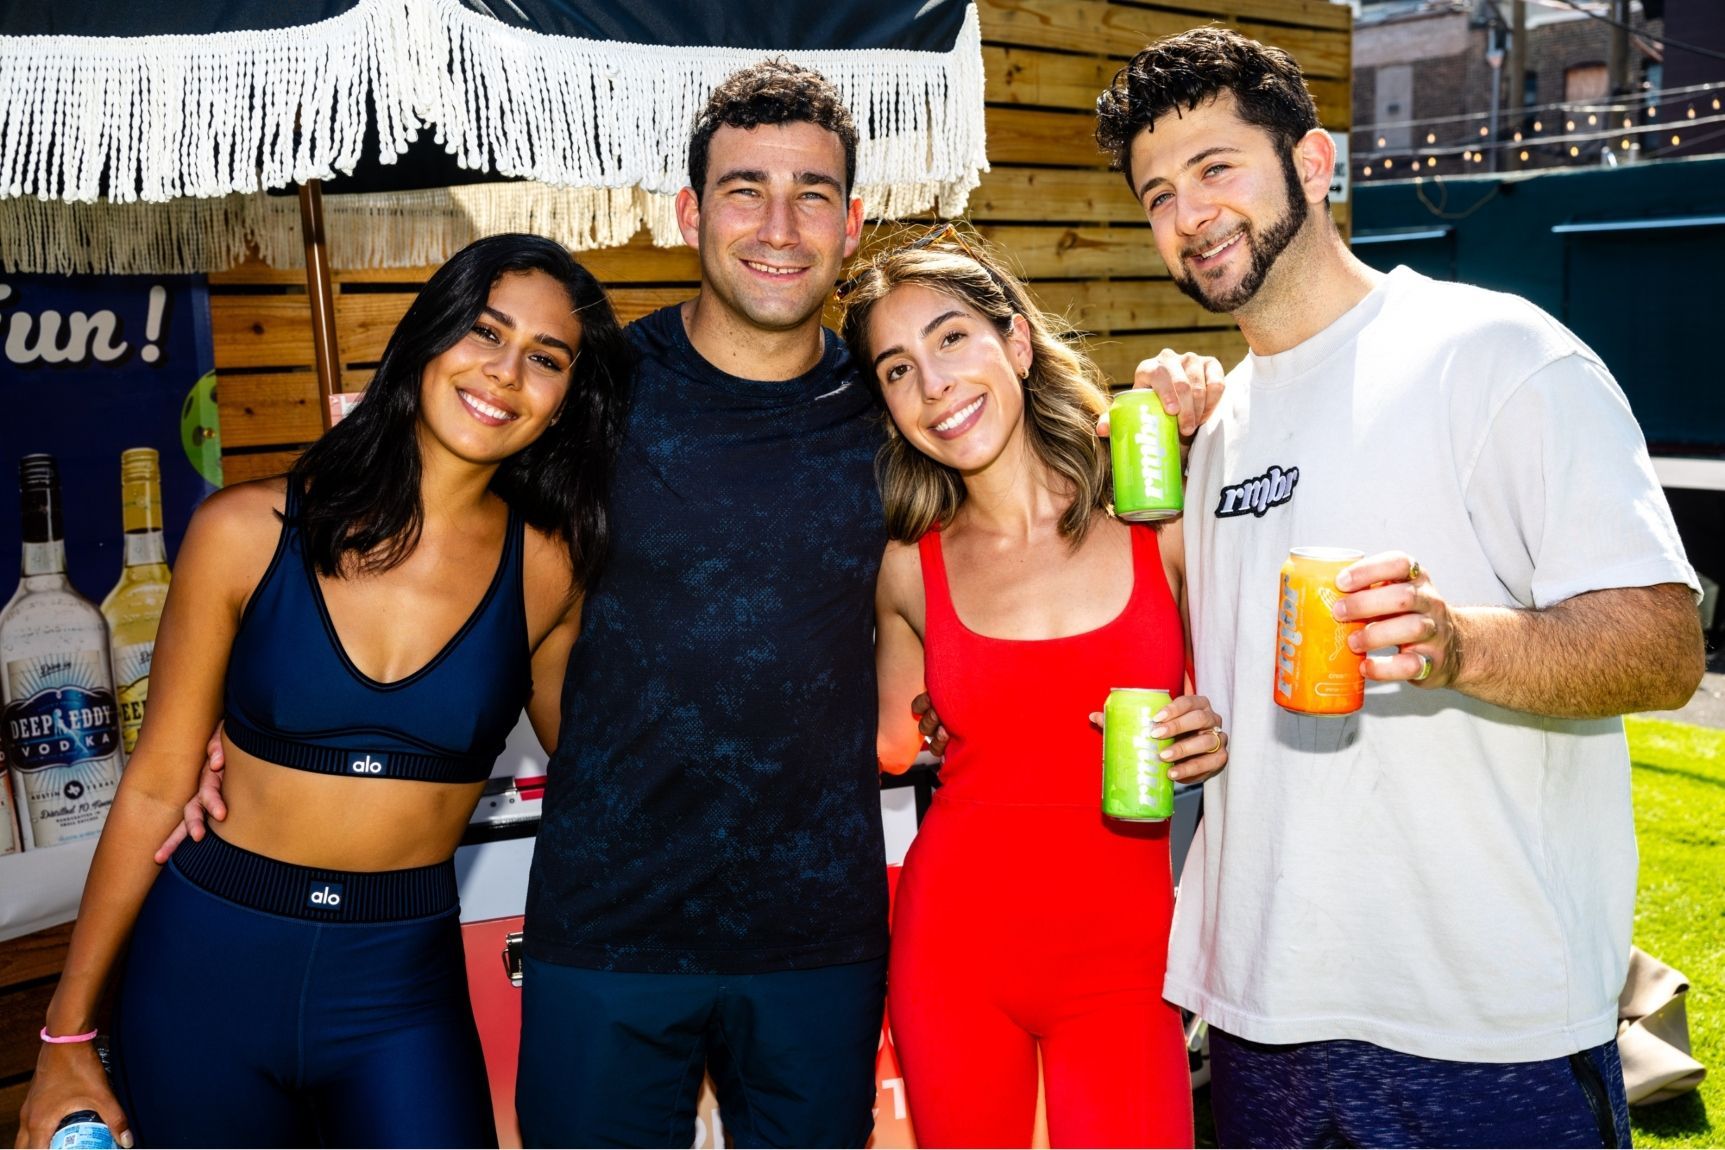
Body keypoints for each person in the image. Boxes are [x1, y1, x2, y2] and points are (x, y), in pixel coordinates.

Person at [1091, 26, 1706, 1148]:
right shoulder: (1215, 430)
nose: (1190, 214)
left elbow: (1663, 649)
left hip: (1486, 1021)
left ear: (1313, 162)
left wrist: (1458, 644)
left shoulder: (1497, 354)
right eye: (1158, 195)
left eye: (1217, 168)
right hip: (1263, 1011)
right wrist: (1199, 731)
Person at [16, 234, 631, 1148]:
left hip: (400, 991)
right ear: (427, 338)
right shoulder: (243, 531)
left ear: (567, 402)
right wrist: (66, 1036)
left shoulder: (552, 571)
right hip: (203, 969)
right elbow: (154, 786)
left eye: (546, 358)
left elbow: (608, 773)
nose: (506, 373)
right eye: (485, 331)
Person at [507, 62, 890, 1148]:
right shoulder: (593, 392)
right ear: (688, 213)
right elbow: (492, 589)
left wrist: (1174, 408)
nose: (779, 227)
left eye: (812, 194)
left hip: (817, 935)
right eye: (744, 190)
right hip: (609, 924)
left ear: (852, 224)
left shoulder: (893, 403)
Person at [840, 231, 1229, 1148]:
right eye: (896, 370)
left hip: (1128, 961)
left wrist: (1217, 734)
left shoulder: (1155, 512)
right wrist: (948, 708)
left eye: (951, 339)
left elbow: (1245, 687)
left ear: (1015, 342)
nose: (933, 385)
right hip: (952, 955)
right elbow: (891, 746)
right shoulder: (906, 564)